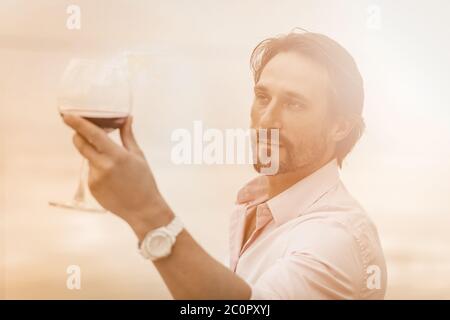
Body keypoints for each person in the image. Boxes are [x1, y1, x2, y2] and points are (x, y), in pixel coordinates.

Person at [62, 31, 387, 299]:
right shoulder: (258, 205)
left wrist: (146, 211)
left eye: (294, 103)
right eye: (263, 97)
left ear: (340, 126)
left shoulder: (338, 238)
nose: (267, 119)